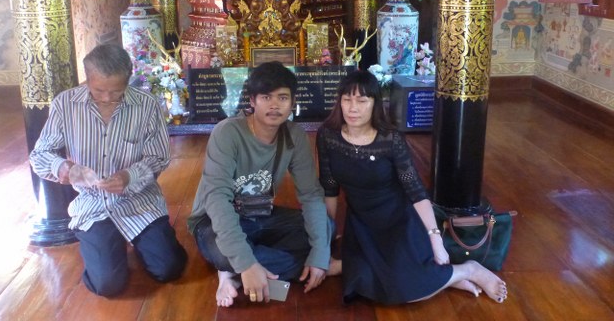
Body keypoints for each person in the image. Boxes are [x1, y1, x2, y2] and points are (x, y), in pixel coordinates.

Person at [316, 70, 508, 305]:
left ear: (375, 103)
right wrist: (326, 239)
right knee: (363, 283)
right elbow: (329, 187)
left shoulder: (391, 139)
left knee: (401, 287)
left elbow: (416, 192)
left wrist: (435, 240)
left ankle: (468, 270)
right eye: (347, 99)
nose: (352, 108)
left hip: (399, 219)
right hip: (362, 223)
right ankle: (445, 278)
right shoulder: (328, 135)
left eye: (362, 100)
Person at [29, 44, 187, 297]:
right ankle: (105, 243)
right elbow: (39, 155)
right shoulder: (65, 104)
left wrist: (129, 176)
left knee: (169, 268)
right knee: (108, 285)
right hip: (93, 204)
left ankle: (142, 241)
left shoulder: (146, 105)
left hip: (139, 201)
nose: (106, 98)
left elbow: (159, 157)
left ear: (128, 80)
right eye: (98, 90)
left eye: (116, 92)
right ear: (87, 79)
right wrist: (62, 167)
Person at [188, 61, 333, 308]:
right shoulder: (228, 133)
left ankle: (234, 274)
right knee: (223, 251)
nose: (275, 105)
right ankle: (244, 267)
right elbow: (217, 198)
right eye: (266, 97)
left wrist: (319, 254)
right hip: (212, 220)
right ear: (252, 101)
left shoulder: (294, 136)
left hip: (260, 214)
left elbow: (310, 195)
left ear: (293, 102)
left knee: (326, 226)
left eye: (282, 98)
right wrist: (246, 262)